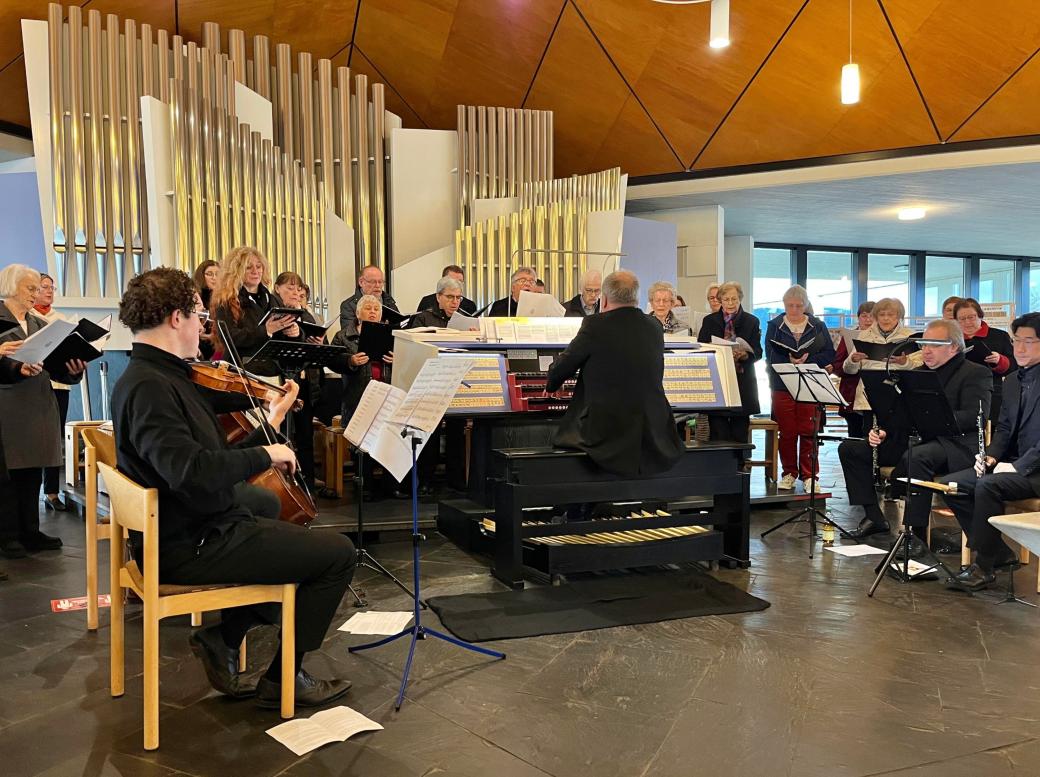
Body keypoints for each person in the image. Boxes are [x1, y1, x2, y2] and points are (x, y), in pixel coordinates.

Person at [112, 267, 355, 707]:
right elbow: (192, 471)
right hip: (189, 542)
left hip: (187, 517)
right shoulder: (151, 388)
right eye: (198, 317)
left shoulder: (160, 374)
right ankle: (284, 679)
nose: (202, 328)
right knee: (337, 555)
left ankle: (223, 635)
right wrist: (268, 453)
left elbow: (207, 431)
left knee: (263, 501)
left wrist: (267, 407)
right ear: (174, 319)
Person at [838, 320, 991, 541]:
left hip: (953, 444)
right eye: (923, 344)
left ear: (954, 347)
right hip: (915, 440)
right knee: (851, 449)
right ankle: (874, 517)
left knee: (917, 457)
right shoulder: (917, 373)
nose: (926, 350)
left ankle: (915, 535)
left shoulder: (975, 373)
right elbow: (899, 415)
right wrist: (884, 431)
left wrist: (934, 419)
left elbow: (975, 417)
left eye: (934, 345)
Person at [546, 270, 683, 477]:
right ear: (636, 297)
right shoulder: (654, 326)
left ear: (606, 299)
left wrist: (551, 383)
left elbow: (565, 365)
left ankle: (572, 502)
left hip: (605, 431)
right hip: (652, 428)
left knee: (559, 436)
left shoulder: (595, 325)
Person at [939, 313, 1040, 590]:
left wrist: (1018, 467)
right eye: (1016, 341)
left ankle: (983, 566)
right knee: (950, 484)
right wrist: (992, 456)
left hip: (1035, 470)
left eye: (1028, 342)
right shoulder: (1012, 381)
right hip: (1013, 465)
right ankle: (999, 551)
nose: (1019, 348)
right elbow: (1005, 429)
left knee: (989, 486)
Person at [0, 265, 85, 559]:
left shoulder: (39, 324)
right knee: (9, 473)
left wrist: (73, 370)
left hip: (37, 402)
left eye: (38, 289)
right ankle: (8, 534)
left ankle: (31, 530)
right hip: (8, 402)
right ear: (11, 287)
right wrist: (16, 368)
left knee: (33, 467)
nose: (36, 295)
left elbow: (55, 364)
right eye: (30, 289)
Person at [765, 285, 836, 492]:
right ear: (784, 305)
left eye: (798, 306)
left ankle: (810, 475)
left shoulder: (817, 325)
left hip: (809, 382)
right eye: (790, 306)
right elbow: (769, 353)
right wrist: (788, 358)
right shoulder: (775, 325)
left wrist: (808, 359)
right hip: (782, 383)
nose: (794, 310)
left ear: (805, 305)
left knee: (808, 431)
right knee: (787, 432)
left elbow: (828, 354)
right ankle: (788, 473)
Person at [332, 295, 396, 497]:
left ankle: (388, 486)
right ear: (358, 313)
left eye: (376, 309)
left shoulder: (392, 336)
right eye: (368, 308)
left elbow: (407, 362)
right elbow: (332, 360)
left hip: (386, 396)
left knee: (388, 441)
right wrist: (350, 360)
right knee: (362, 441)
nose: (373, 312)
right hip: (358, 397)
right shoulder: (343, 336)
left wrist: (397, 359)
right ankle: (365, 485)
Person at [211, 246, 300, 376]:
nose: (255, 271)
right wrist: (266, 331)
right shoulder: (226, 300)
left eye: (259, 266)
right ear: (236, 271)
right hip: (242, 371)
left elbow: (280, 337)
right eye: (248, 267)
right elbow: (229, 337)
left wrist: (294, 333)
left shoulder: (271, 299)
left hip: (273, 371)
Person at [697, 281, 760, 452]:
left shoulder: (751, 321)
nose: (730, 303)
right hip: (719, 382)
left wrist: (745, 355)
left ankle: (739, 471)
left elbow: (758, 352)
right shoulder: (709, 321)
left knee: (740, 434)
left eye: (734, 299)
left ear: (740, 299)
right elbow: (701, 348)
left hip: (742, 383)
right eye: (726, 299)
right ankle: (721, 473)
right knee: (718, 434)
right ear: (720, 300)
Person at [32, 272, 74, 512]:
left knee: (54, 438)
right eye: (43, 287)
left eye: (52, 287)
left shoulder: (61, 319)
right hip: (35, 383)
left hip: (59, 385)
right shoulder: (29, 317)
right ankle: (33, 491)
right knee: (36, 438)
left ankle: (51, 491)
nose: (49, 291)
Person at [954, 298, 1014, 423]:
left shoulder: (999, 336)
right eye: (962, 319)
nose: (967, 322)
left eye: (971, 317)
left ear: (980, 315)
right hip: (958, 393)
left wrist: (1000, 360)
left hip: (991, 393)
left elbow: (1015, 366)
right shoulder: (953, 339)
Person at [831, 301, 875, 438]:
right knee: (854, 437)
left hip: (875, 396)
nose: (868, 320)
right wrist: (852, 361)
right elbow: (837, 367)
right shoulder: (849, 337)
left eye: (872, 316)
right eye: (864, 316)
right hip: (852, 395)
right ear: (858, 318)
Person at [339, 265, 398, 337]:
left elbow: (399, 327)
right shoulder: (348, 305)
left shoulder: (389, 301)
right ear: (361, 282)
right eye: (373, 282)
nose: (378, 285)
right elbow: (348, 336)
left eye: (380, 282)